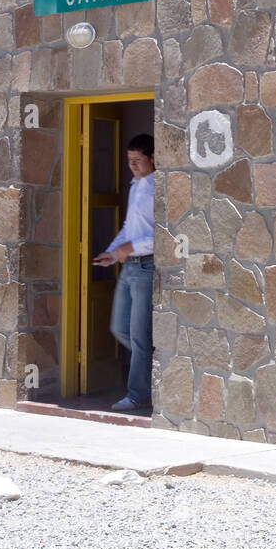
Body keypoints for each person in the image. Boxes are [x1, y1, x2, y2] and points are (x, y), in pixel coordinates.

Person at [92, 134, 155, 413]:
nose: (132, 165)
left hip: (146, 266)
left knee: (140, 336)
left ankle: (138, 394)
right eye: (129, 160)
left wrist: (130, 247)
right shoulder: (135, 186)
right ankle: (153, 365)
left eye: (137, 160)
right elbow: (130, 227)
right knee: (120, 328)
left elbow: (161, 235)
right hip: (129, 265)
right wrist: (112, 251)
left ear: (152, 158)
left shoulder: (157, 188)